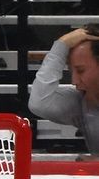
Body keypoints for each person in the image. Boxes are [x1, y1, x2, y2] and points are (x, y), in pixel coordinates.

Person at [29, 25, 99, 155]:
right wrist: (61, 45)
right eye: (71, 71)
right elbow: (40, 103)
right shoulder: (83, 101)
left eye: (80, 70)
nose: (74, 81)